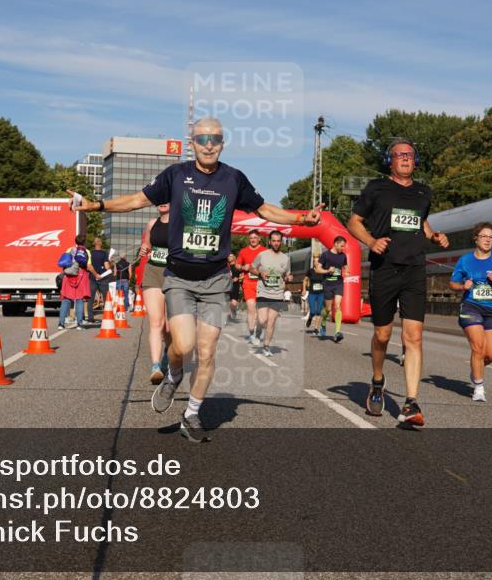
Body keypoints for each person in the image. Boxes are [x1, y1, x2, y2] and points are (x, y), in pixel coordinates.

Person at [70, 117, 321, 442]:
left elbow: (265, 211)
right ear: (193, 142)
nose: (208, 143)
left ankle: (192, 414)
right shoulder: (176, 175)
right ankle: (174, 376)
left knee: (206, 350)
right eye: (202, 137)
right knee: (183, 346)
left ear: (222, 142)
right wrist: (95, 205)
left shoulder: (234, 179)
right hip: (180, 277)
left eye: (214, 137)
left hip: (216, 278)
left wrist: (302, 218)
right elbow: (135, 200)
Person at [347, 138, 449, 427]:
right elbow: (353, 221)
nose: (405, 158)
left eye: (410, 155)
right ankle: (377, 381)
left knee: (413, 337)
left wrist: (434, 236)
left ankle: (410, 402)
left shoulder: (423, 191)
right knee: (382, 335)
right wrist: (370, 241)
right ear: (390, 161)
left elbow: (422, 222)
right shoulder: (376, 189)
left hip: (415, 268)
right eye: (399, 155)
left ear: (414, 160)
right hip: (385, 269)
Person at [449, 223, 492, 402]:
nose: (487, 240)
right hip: (471, 306)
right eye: (484, 236)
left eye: (491, 237)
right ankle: (479, 387)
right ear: (475, 238)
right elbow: (452, 284)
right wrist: (463, 286)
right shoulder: (465, 260)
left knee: (490, 354)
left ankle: (476, 369)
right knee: (478, 347)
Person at [139, 204, 172, 383]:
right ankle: (155, 366)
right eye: (159, 198)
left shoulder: (181, 223)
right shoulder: (152, 223)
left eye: (166, 198)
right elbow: (146, 244)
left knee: (168, 326)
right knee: (156, 322)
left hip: (174, 274)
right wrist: (144, 248)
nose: (162, 201)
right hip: (153, 272)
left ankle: (168, 351)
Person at [251, 231, 293, 357]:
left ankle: (266, 345)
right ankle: (258, 330)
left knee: (271, 321)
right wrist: (259, 273)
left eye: (278, 241)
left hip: (277, 293)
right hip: (263, 291)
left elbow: (287, 274)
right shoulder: (262, 255)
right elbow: (252, 268)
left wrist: (289, 277)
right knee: (263, 320)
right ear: (270, 241)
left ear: (281, 242)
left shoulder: (286, 259)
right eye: (273, 240)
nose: (276, 243)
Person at [236, 230, 267, 345]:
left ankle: (258, 331)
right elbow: (237, 265)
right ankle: (251, 334)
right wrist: (243, 267)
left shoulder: (265, 251)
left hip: (262, 284)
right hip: (248, 283)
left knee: (261, 312)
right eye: (251, 238)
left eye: (255, 237)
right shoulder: (244, 251)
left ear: (259, 239)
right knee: (250, 307)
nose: (253, 240)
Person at [316, 236, 349, 342]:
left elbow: (345, 267)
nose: (343, 248)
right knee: (328, 309)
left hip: (339, 283)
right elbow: (318, 270)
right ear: (336, 244)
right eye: (342, 246)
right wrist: (327, 271)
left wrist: (347, 272)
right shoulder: (325, 255)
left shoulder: (343, 256)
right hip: (328, 284)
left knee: (338, 306)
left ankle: (337, 332)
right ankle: (323, 322)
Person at [58, 234, 92, 330]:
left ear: (75, 241)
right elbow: (88, 266)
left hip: (69, 276)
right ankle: (79, 324)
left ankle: (61, 324)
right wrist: (96, 274)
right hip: (81, 276)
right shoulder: (87, 252)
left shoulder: (69, 250)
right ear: (84, 242)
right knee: (79, 299)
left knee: (66, 299)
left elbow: (64, 263)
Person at [88, 237, 110, 323]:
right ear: (100, 243)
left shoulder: (90, 253)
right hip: (102, 277)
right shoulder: (104, 253)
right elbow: (107, 266)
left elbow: (89, 266)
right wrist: (110, 262)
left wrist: (94, 274)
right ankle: (107, 316)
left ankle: (90, 318)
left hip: (92, 277)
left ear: (94, 244)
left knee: (91, 299)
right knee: (106, 298)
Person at [302, 255, 326, 335]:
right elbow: (305, 280)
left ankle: (315, 328)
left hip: (321, 293)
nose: (316, 263)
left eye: (317, 261)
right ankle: (310, 318)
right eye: (314, 261)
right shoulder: (310, 271)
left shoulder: (323, 271)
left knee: (319, 311)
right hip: (312, 293)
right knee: (312, 311)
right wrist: (304, 289)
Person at [227, 252, 241, 321]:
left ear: (234, 257)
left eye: (231, 256)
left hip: (235, 286)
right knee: (228, 302)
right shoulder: (226, 267)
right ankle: (229, 316)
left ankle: (234, 311)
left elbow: (242, 275)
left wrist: (239, 278)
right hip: (227, 286)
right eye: (229, 256)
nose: (229, 257)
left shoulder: (237, 266)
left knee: (234, 303)